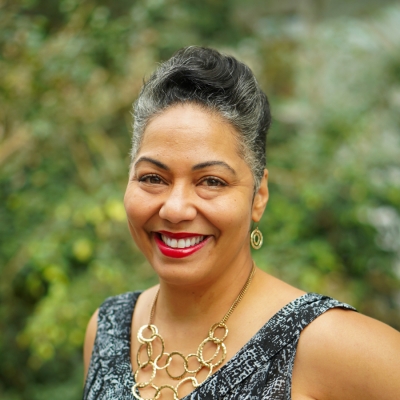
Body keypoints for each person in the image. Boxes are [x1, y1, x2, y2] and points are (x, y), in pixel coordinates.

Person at [82, 46, 400, 400]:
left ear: (258, 196)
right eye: (153, 178)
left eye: (211, 181)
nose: (175, 209)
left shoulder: (325, 344)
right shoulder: (107, 329)